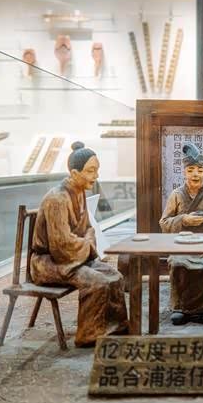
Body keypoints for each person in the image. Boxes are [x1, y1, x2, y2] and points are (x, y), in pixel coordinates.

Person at [31, 142, 128, 348]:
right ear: (75, 173)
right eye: (91, 171)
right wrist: (88, 244)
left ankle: (114, 326)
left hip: (72, 257)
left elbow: (88, 230)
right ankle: (88, 334)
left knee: (115, 276)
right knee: (96, 282)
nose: (96, 176)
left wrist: (86, 241)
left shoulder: (80, 193)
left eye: (97, 170)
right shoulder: (58, 198)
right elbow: (61, 245)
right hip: (48, 263)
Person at [159, 142, 203, 325]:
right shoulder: (176, 195)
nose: (196, 174)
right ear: (184, 172)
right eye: (191, 170)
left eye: (200, 170)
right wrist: (183, 220)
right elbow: (164, 222)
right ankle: (180, 308)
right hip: (181, 245)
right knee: (178, 263)